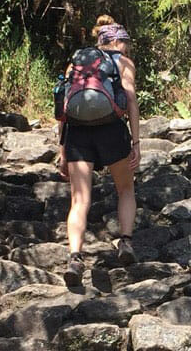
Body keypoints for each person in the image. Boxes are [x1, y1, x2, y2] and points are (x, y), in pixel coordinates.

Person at [57, 15, 141, 290]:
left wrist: (62, 148)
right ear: (116, 41)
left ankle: (75, 258)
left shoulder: (78, 64)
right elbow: (129, 100)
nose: (127, 48)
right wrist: (136, 143)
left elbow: (62, 104)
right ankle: (125, 242)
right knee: (125, 190)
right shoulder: (123, 63)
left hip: (78, 133)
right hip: (111, 131)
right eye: (125, 42)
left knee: (79, 200)